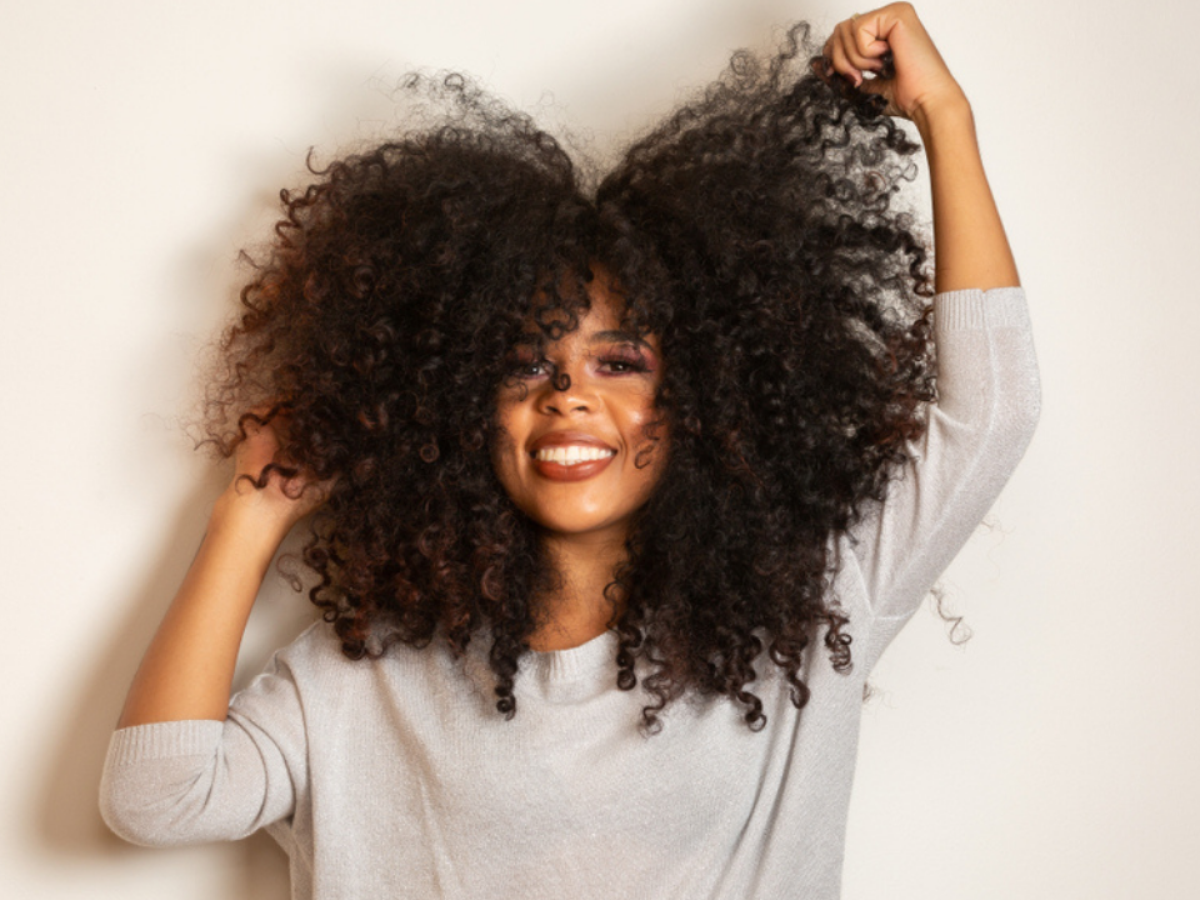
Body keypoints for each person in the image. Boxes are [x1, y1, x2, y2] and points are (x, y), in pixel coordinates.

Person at [99, 5, 1040, 898]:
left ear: (702, 397)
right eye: (523, 366)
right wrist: (251, 511)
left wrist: (943, 116)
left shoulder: (811, 612)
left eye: (619, 362)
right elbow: (155, 798)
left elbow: (993, 415)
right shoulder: (365, 671)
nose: (568, 395)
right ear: (458, 409)